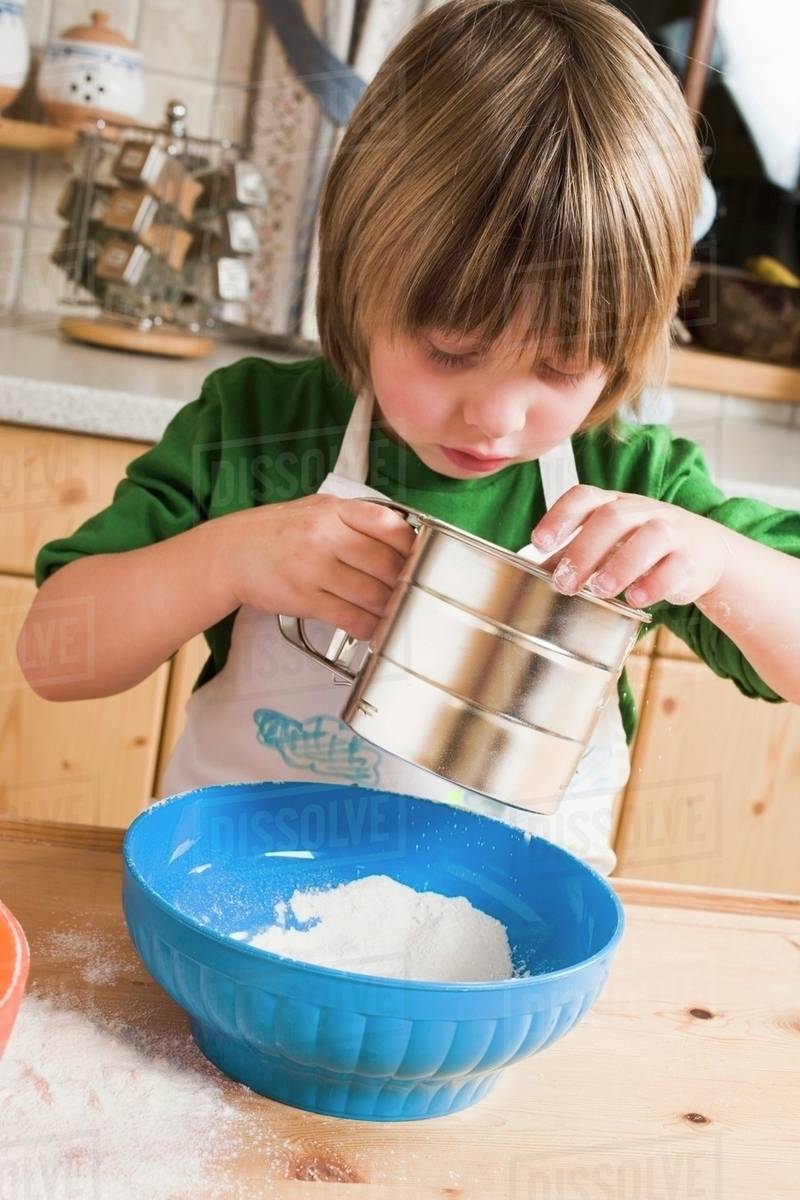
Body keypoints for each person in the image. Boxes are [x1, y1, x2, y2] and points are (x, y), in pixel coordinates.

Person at [18, 0, 800, 875]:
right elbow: (53, 658)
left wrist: (720, 564)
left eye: (564, 366)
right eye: (451, 352)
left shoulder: (633, 480)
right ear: (360, 279)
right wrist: (225, 559)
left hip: (502, 966)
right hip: (241, 923)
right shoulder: (257, 431)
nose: (497, 418)